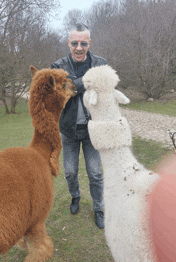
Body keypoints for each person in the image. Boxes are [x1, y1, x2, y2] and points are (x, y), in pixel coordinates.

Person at [51, 23, 107, 229]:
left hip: (93, 131)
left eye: (83, 43)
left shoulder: (101, 63)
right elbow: (67, 90)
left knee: (95, 173)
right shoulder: (57, 67)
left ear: (89, 43)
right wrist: (89, 80)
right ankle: (75, 196)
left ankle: (99, 208)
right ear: (69, 43)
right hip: (69, 131)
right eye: (75, 43)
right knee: (70, 172)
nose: (79, 47)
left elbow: (110, 86)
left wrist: (79, 84)